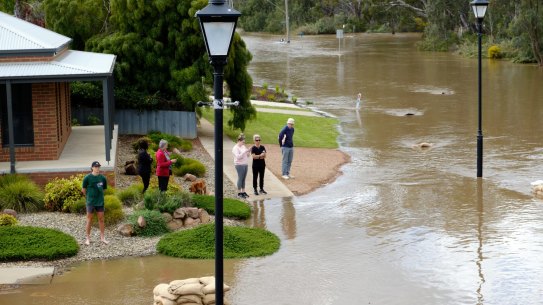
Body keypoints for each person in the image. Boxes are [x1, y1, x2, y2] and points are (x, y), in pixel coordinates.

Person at [82, 161, 108, 246]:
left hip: (100, 202)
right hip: (90, 202)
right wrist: (89, 197)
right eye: (96, 167)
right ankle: (88, 238)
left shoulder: (103, 178)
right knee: (89, 219)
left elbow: (104, 189)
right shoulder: (87, 178)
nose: (97, 168)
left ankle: (102, 238)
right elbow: (84, 190)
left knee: (101, 219)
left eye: (98, 167)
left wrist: (98, 196)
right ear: (92, 168)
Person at [232, 133, 251, 198]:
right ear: (239, 141)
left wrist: (248, 152)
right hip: (239, 164)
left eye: (244, 142)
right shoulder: (235, 148)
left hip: (245, 164)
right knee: (240, 178)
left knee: (244, 178)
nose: (243, 143)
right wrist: (244, 152)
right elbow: (238, 157)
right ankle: (239, 193)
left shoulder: (243, 146)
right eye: (243, 142)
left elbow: (247, 155)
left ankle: (243, 191)